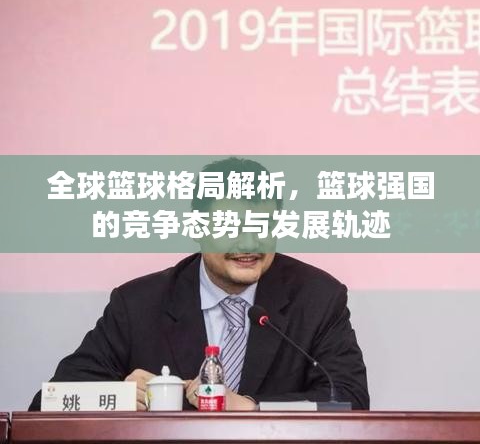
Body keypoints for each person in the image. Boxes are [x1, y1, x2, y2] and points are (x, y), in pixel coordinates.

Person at [29, 158, 369, 411]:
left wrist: (251, 407)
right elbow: (48, 401)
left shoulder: (317, 298)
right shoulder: (138, 305)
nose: (249, 243)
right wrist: (119, 396)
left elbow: (350, 399)